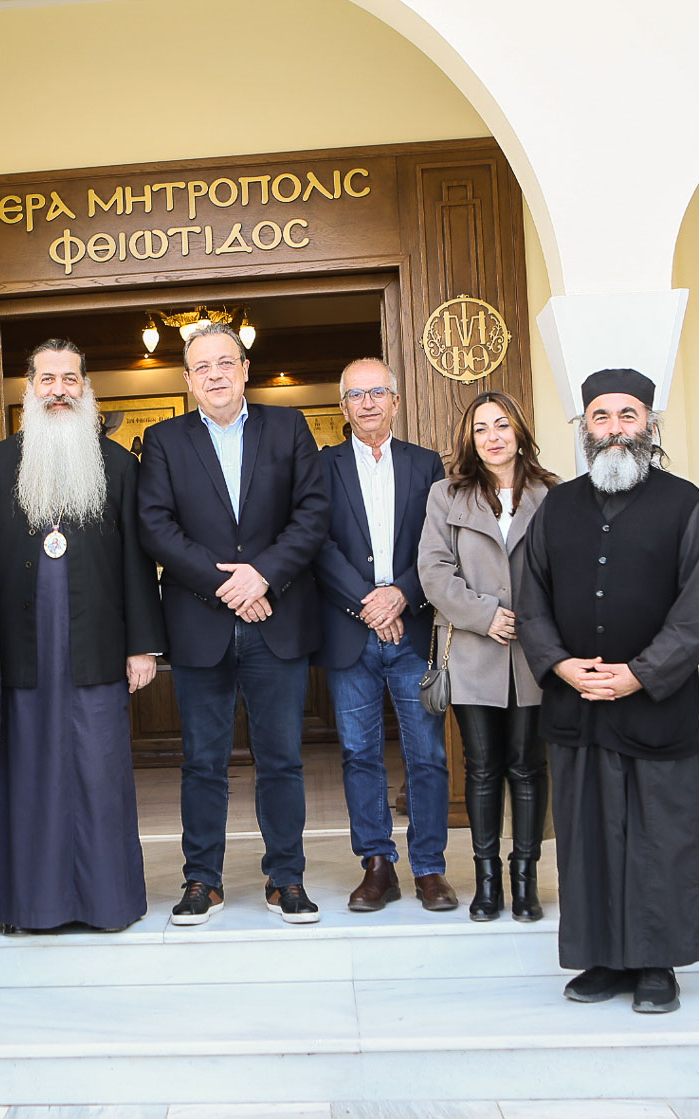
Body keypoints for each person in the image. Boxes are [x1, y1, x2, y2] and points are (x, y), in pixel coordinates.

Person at [513, 368, 699, 1014]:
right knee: (589, 837)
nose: (615, 429)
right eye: (601, 417)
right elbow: (530, 597)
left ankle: (657, 963)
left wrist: (641, 673)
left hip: (655, 705)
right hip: (577, 705)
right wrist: (560, 665)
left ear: (649, 425)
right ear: (585, 428)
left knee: (662, 837)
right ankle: (601, 957)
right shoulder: (557, 506)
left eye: (628, 415)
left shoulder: (685, 504)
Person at [0, 339, 167, 932]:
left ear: (86, 388)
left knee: (99, 774)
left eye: (70, 379)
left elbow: (137, 562)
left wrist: (142, 645)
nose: (59, 390)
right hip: (20, 654)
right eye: (47, 379)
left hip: (96, 648)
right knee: (28, 778)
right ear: (29, 389)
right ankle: (30, 906)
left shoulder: (118, 466)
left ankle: (107, 904)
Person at [138, 322, 329, 926]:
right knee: (202, 762)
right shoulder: (163, 440)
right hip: (201, 622)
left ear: (246, 369)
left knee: (282, 759)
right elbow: (156, 526)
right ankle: (202, 880)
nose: (215, 374)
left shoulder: (289, 427)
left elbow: (312, 513)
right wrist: (229, 586)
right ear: (187, 380)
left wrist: (262, 576)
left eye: (226, 362)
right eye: (202, 366)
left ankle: (286, 877)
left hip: (278, 618)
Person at [312, 358, 451, 912]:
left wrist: (401, 595)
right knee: (359, 754)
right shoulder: (322, 466)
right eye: (356, 394)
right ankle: (377, 865)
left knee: (428, 755)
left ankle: (430, 867)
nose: (367, 403)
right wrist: (370, 603)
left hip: (412, 630)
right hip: (350, 633)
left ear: (395, 400)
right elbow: (317, 544)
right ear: (342, 407)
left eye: (377, 392)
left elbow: (440, 543)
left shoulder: (426, 464)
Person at [419, 390, 558, 922]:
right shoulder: (446, 495)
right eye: (481, 428)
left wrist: (532, 619)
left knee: (528, 766)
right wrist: (485, 614)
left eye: (502, 425)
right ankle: (487, 881)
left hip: (534, 652)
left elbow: (567, 569)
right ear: (469, 439)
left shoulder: (552, 493)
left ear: (519, 431)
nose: (492, 436)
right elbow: (434, 571)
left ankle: (525, 879)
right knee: (481, 767)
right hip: (472, 649)